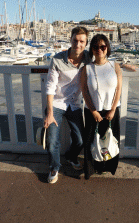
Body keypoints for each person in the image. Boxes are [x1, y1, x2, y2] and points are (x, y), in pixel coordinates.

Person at [81, 34, 136, 180]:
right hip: (93, 111)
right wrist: (93, 111)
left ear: (107, 48)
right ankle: (91, 168)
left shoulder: (115, 66)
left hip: (111, 111)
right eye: (95, 47)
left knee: (111, 141)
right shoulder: (87, 69)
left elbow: (118, 89)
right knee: (91, 141)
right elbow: (84, 91)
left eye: (102, 46)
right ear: (91, 49)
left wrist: (112, 109)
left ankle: (108, 167)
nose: (99, 49)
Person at [44, 26, 91, 184]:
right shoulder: (57, 59)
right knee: (52, 140)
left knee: (80, 139)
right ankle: (54, 166)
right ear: (70, 40)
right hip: (56, 103)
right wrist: (49, 113)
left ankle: (71, 156)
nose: (78, 44)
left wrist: (123, 67)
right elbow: (50, 86)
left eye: (82, 41)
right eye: (75, 40)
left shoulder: (88, 58)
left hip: (74, 104)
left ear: (86, 43)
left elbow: (105, 62)